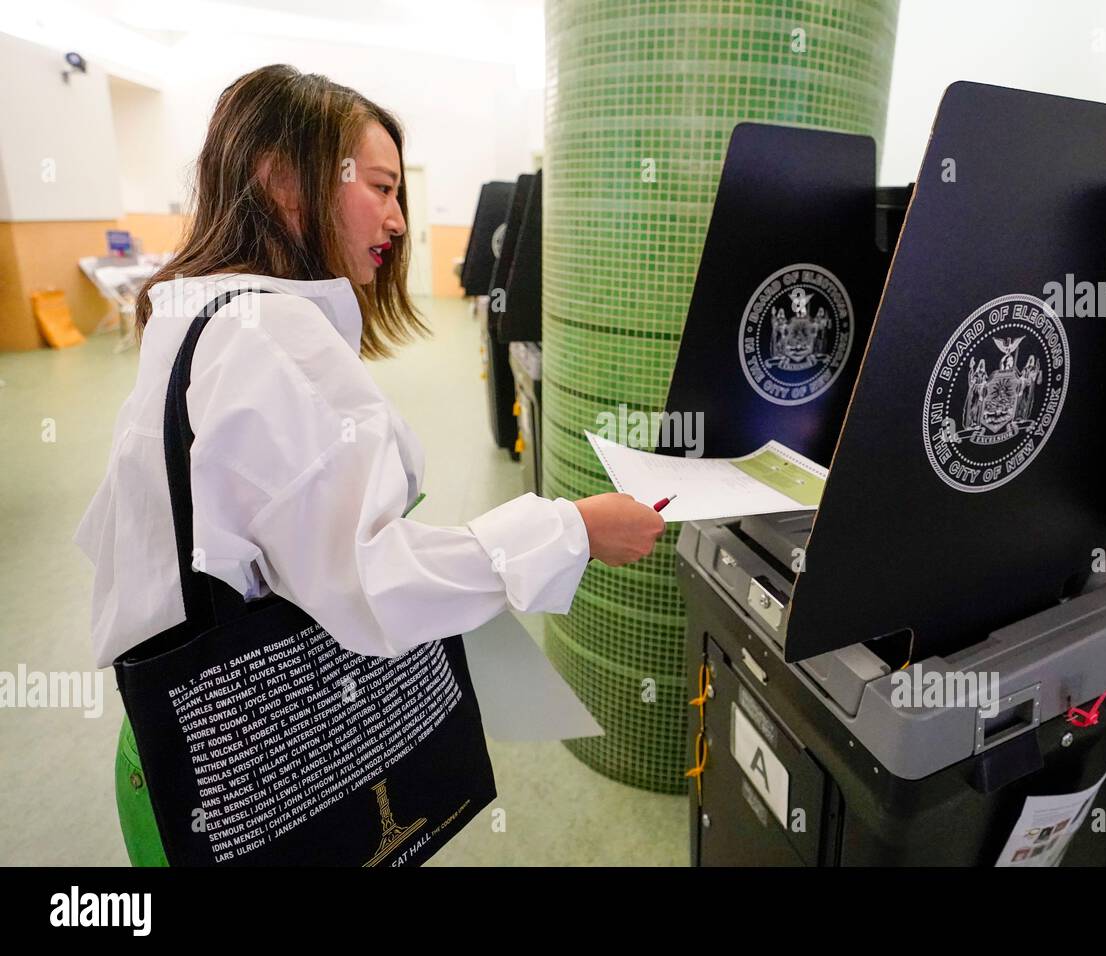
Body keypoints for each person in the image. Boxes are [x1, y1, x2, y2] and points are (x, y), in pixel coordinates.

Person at [73, 64, 664, 865]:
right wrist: (573, 529)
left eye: (398, 194)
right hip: (253, 770)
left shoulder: (195, 313)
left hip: (173, 756)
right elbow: (372, 583)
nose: (396, 219)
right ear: (281, 179)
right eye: (379, 188)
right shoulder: (272, 339)